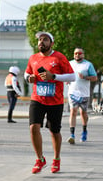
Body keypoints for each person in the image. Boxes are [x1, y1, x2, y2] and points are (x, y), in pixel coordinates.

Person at [24, 32, 75, 174]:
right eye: (40, 40)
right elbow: (26, 73)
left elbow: (72, 76)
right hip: (37, 98)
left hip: (55, 101)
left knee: (54, 131)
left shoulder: (59, 57)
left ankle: (56, 159)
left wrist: (54, 76)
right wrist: (29, 78)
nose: (41, 42)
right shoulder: (33, 58)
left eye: (45, 39)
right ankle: (40, 159)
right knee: (33, 127)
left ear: (51, 43)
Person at [66, 47, 97, 144]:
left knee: (83, 113)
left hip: (84, 93)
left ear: (83, 54)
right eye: (75, 53)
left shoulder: (88, 65)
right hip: (72, 92)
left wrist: (85, 77)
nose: (77, 55)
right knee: (73, 111)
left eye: (79, 53)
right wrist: (67, 79)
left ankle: (84, 131)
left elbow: (94, 78)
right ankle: (72, 135)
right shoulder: (69, 64)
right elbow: (66, 74)